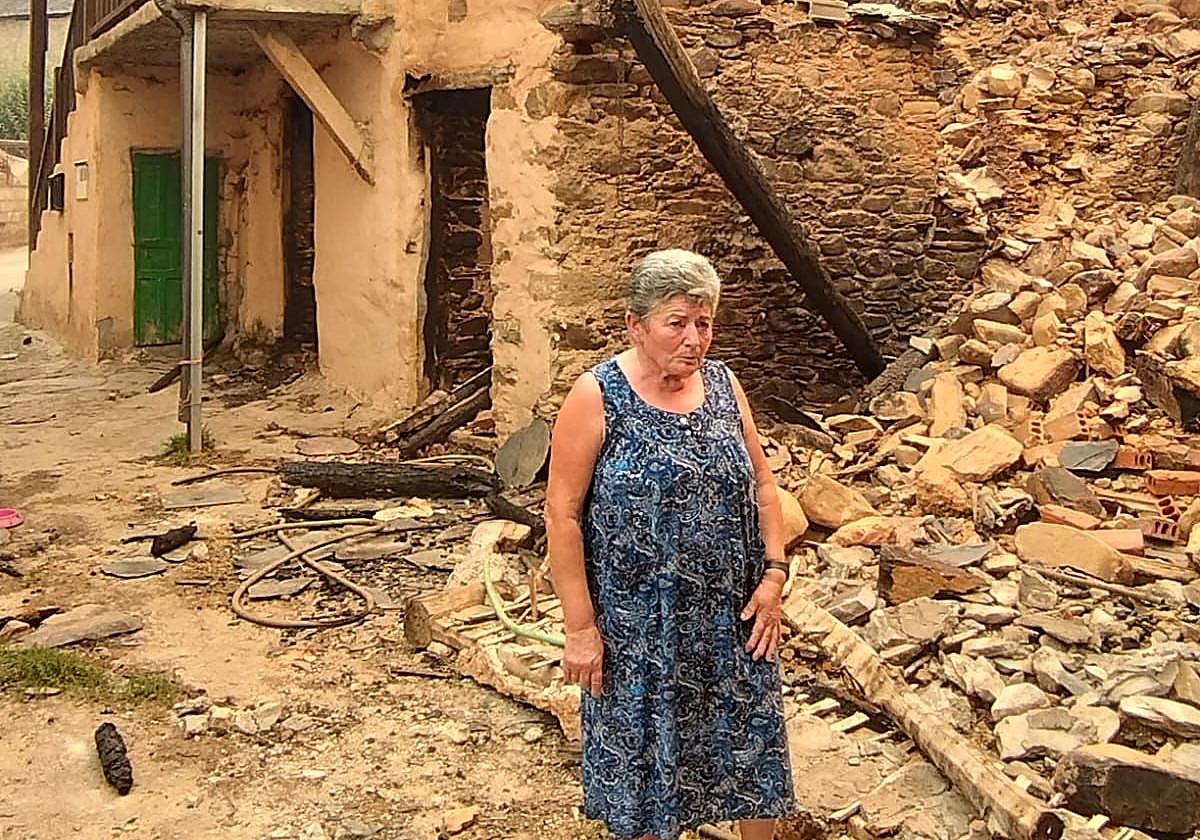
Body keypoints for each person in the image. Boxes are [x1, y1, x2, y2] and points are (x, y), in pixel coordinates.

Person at [546, 249, 796, 840]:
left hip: (732, 620)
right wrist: (581, 627)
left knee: (750, 757)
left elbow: (763, 484)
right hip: (639, 630)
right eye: (676, 322)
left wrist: (775, 576)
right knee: (645, 774)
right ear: (636, 325)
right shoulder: (597, 394)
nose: (694, 338)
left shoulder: (724, 385)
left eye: (704, 323)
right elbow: (562, 512)